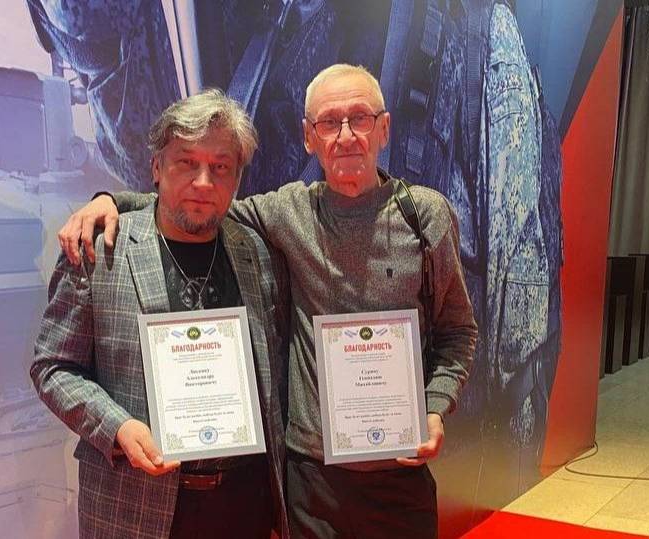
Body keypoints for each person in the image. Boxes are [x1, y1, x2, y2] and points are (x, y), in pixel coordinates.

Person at [59, 64, 478, 539]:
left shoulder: (425, 216)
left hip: (400, 473)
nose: (346, 136)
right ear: (308, 137)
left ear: (384, 129)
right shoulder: (287, 211)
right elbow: (201, 202)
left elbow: (458, 331)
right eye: (328, 122)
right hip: (311, 484)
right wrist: (110, 201)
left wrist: (435, 405)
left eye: (360, 119)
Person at [31, 89, 290, 539]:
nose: (204, 182)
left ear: (236, 178)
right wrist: (117, 427)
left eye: (221, 167)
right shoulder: (100, 250)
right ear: (156, 167)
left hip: (245, 505)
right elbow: (52, 367)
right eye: (187, 162)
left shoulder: (256, 252)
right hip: (136, 506)